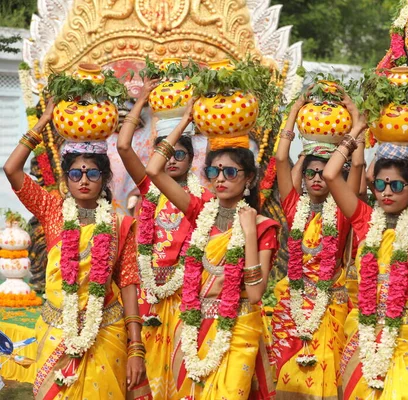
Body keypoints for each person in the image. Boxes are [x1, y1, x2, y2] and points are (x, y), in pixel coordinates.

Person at [3, 100, 147, 400]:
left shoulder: (119, 223)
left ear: (104, 179)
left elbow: (130, 282)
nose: (84, 180)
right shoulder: (52, 209)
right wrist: (43, 122)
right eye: (76, 174)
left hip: (106, 332)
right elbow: (11, 168)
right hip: (57, 330)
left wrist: (136, 347)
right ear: (66, 179)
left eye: (92, 174)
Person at [145, 100, 278, 399]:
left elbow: (256, 295)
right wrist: (183, 122)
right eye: (214, 171)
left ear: (249, 178)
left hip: (238, 327)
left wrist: (248, 235)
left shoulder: (263, 226)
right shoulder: (201, 210)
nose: (220, 179)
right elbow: (155, 170)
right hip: (195, 322)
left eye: (231, 172)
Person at [323, 106, 408, 398]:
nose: (386, 192)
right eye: (380, 184)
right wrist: (357, 131)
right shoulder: (365, 219)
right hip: (366, 327)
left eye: (396, 185)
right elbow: (332, 175)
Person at [117, 78, 212, 399]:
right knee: (147, 378)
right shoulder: (148, 186)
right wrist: (141, 102)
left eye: (179, 154)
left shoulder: (203, 200)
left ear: (191, 158)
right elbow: (123, 147)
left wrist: (189, 119)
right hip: (149, 297)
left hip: (187, 297)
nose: (171, 159)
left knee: (183, 378)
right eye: (164, 153)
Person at [270, 93, 359, 399]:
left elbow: (357, 165)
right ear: (303, 178)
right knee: (285, 378)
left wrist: (355, 119)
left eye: (324, 172)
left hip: (329, 305)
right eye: (311, 172)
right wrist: (294, 110)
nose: (318, 178)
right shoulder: (295, 207)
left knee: (324, 383)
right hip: (291, 302)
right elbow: (281, 159)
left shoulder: (345, 212)